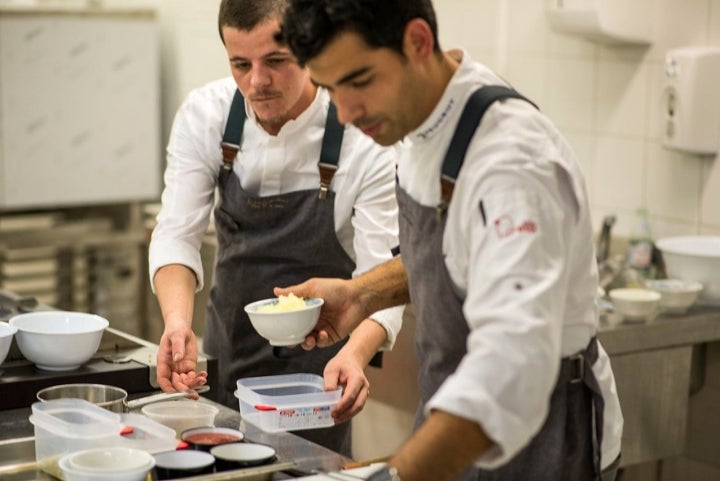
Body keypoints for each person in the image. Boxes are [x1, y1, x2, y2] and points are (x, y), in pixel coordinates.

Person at [277, 1, 623, 480]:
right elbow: (459, 254)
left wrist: (397, 476)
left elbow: (512, 364)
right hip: (452, 420)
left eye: (358, 82)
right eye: (330, 88)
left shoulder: (511, 163)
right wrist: (363, 294)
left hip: (540, 439)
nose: (345, 113)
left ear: (417, 42)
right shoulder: (416, 119)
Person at [148, 0, 404, 457]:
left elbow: (382, 275)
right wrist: (176, 322)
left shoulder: (362, 138)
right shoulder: (205, 116)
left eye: (276, 61)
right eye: (240, 64)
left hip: (321, 375)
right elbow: (176, 234)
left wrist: (356, 354)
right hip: (227, 355)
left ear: (310, 51)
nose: (256, 82)